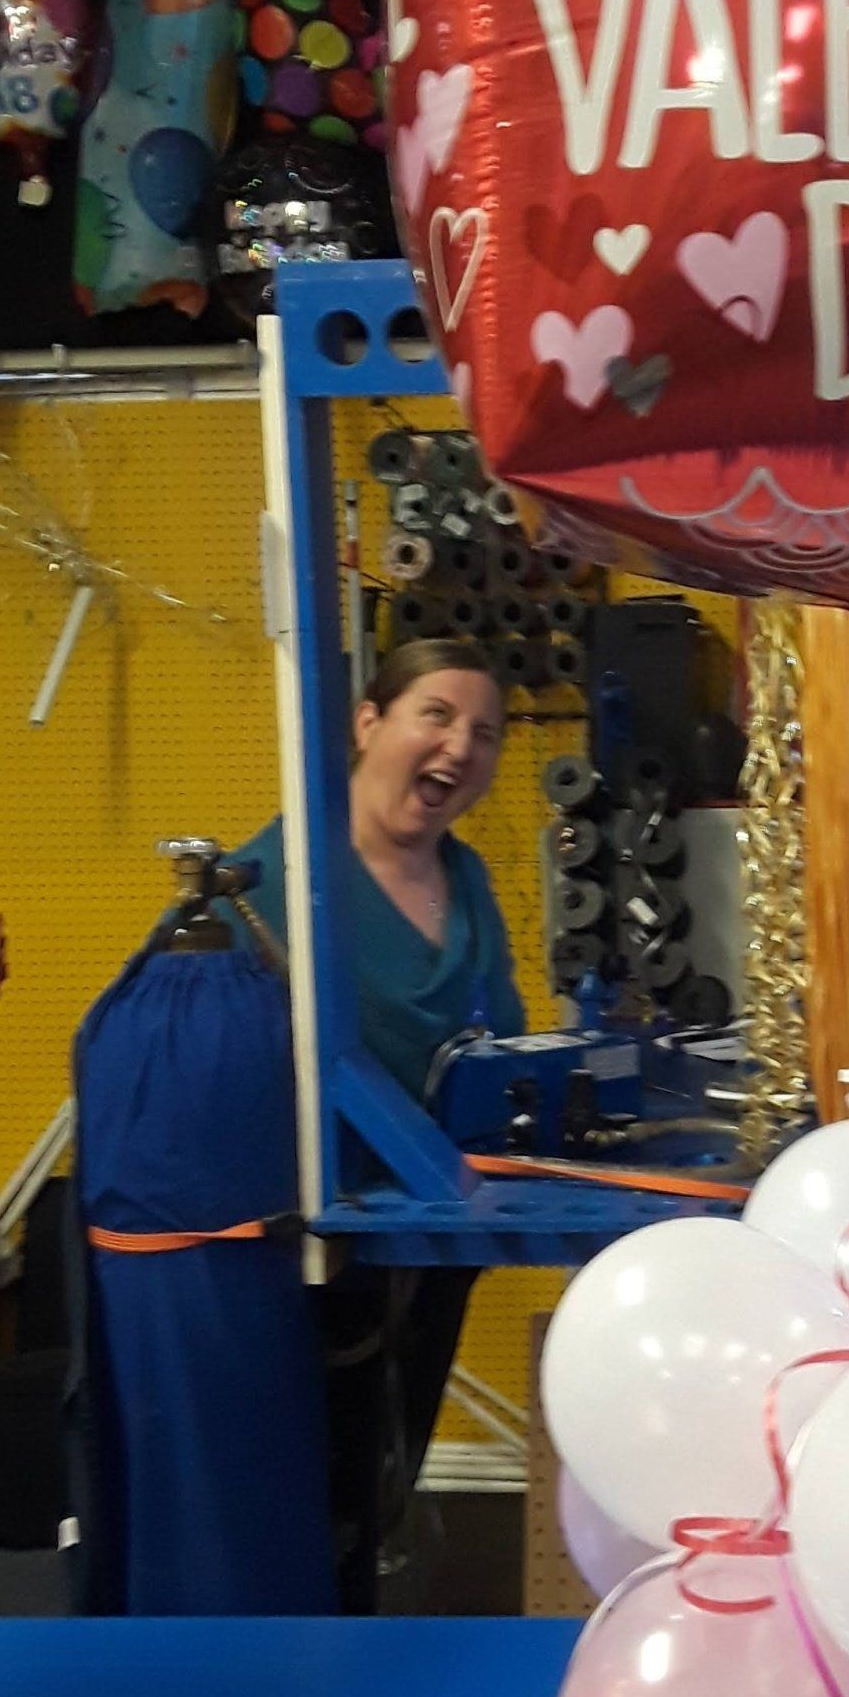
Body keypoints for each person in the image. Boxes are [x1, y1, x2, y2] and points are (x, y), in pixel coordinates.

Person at [227, 638, 524, 1607]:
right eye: (435, 714)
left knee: (387, 1468)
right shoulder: (270, 883)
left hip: (436, 1236)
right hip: (309, 1246)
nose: (459, 747)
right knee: (307, 1489)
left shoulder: (469, 881)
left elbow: (505, 1036)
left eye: (484, 731)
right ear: (369, 721)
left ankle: (350, 1637)